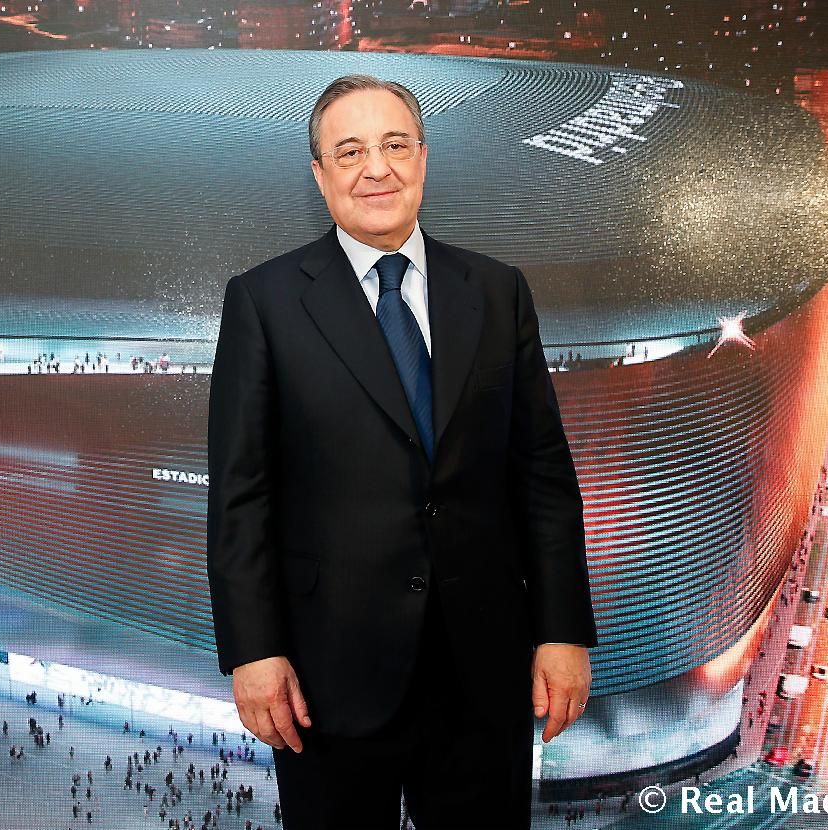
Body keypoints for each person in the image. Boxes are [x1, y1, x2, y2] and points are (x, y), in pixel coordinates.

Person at [206, 74, 598, 829]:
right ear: (319, 175)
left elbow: (543, 477)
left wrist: (562, 628)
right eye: (349, 151)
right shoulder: (263, 302)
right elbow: (240, 495)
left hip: (484, 672)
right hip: (325, 681)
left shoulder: (497, 290)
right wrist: (251, 652)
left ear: (424, 156)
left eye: (393, 145)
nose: (375, 168)